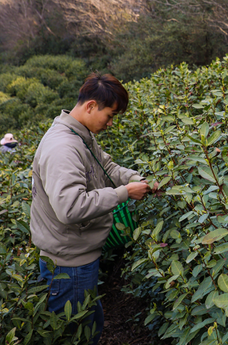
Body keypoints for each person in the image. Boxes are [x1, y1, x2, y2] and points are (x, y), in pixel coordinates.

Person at [30, 73, 152, 344]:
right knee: (76, 335)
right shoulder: (63, 147)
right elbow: (69, 208)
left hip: (79, 256)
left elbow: (106, 167)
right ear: (90, 106)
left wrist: (135, 179)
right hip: (68, 264)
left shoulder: (80, 135)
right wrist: (124, 194)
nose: (110, 123)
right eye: (109, 116)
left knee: (90, 325)